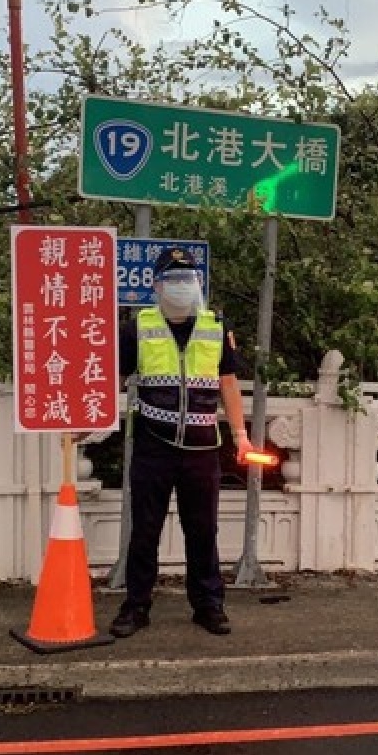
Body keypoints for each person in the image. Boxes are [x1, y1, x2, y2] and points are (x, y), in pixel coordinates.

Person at [109, 246, 251, 638]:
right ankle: (136, 606)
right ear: (155, 285)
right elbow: (113, 382)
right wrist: (87, 423)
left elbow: (228, 384)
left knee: (203, 529)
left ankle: (208, 604)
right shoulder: (137, 328)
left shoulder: (215, 327)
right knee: (145, 530)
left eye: (188, 279)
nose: (181, 286)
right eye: (172, 279)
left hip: (203, 447)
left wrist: (240, 435)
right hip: (155, 444)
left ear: (198, 284)